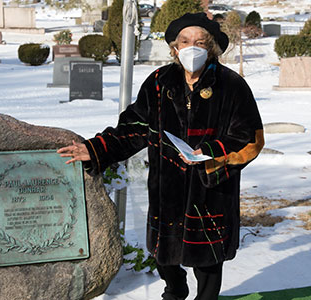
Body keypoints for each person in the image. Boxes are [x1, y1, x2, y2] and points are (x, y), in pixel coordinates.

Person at [58, 12, 264, 300]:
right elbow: (132, 128)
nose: (192, 46)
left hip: (211, 191)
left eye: (200, 41)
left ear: (212, 48)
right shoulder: (158, 83)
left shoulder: (231, 85)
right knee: (164, 256)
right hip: (166, 189)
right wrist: (95, 149)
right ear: (175, 48)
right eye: (185, 40)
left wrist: (211, 154)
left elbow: (250, 137)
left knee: (208, 262)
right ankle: (175, 288)